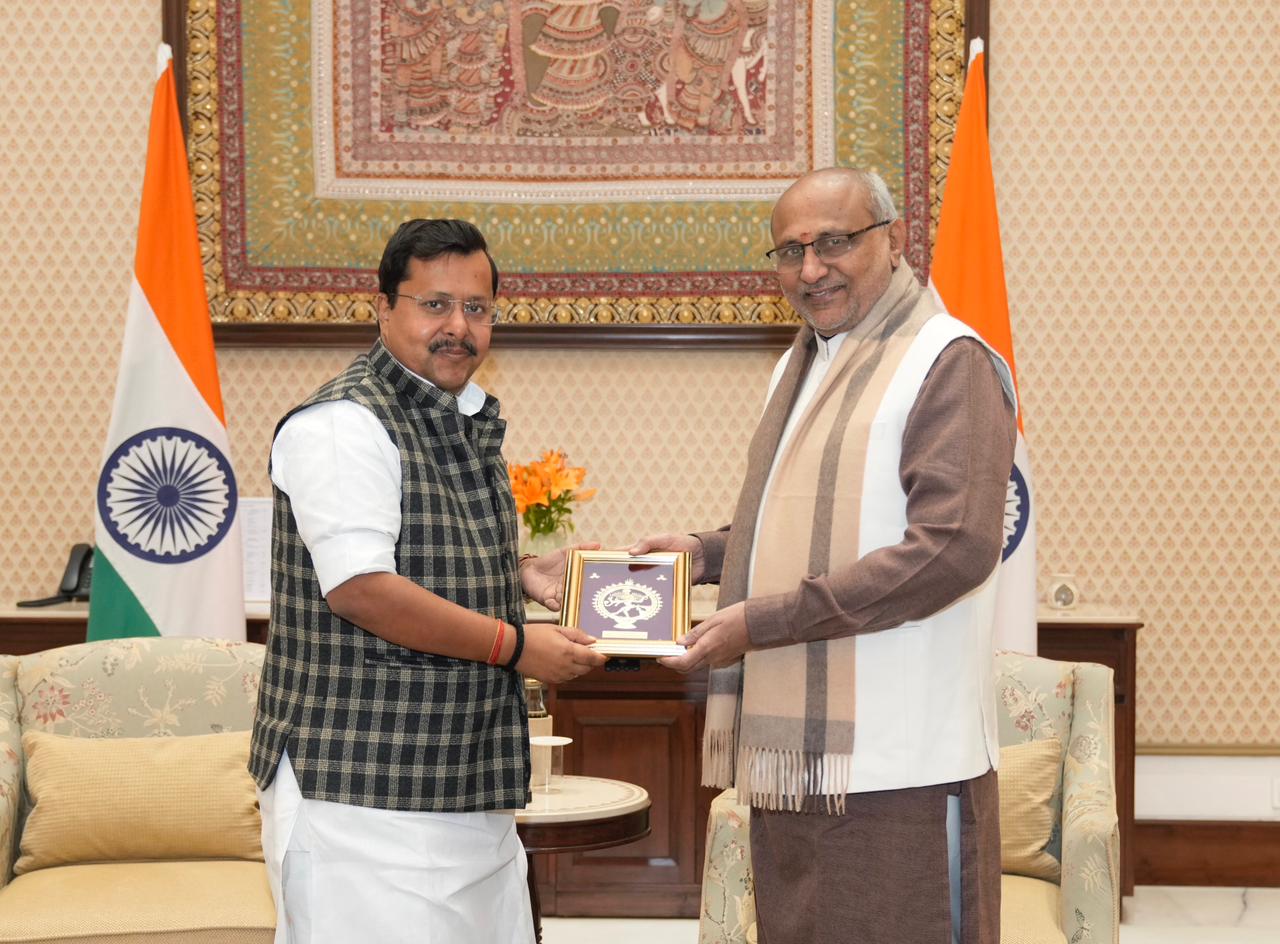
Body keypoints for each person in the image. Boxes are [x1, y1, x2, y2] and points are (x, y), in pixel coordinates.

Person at [631, 168, 1017, 944]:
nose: (811, 270)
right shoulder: (802, 363)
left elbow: (952, 548)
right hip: (798, 765)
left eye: (834, 242)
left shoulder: (947, 360)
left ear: (894, 239)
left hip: (901, 768)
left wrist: (767, 621)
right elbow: (799, 525)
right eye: (789, 251)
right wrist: (705, 555)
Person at [249, 218, 607, 944]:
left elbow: (415, 553)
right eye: (434, 304)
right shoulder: (344, 425)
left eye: (476, 308)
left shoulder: (455, 418)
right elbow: (361, 589)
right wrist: (517, 645)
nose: (459, 327)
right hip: (362, 795)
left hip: (460, 781)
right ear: (382, 307)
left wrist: (521, 574)